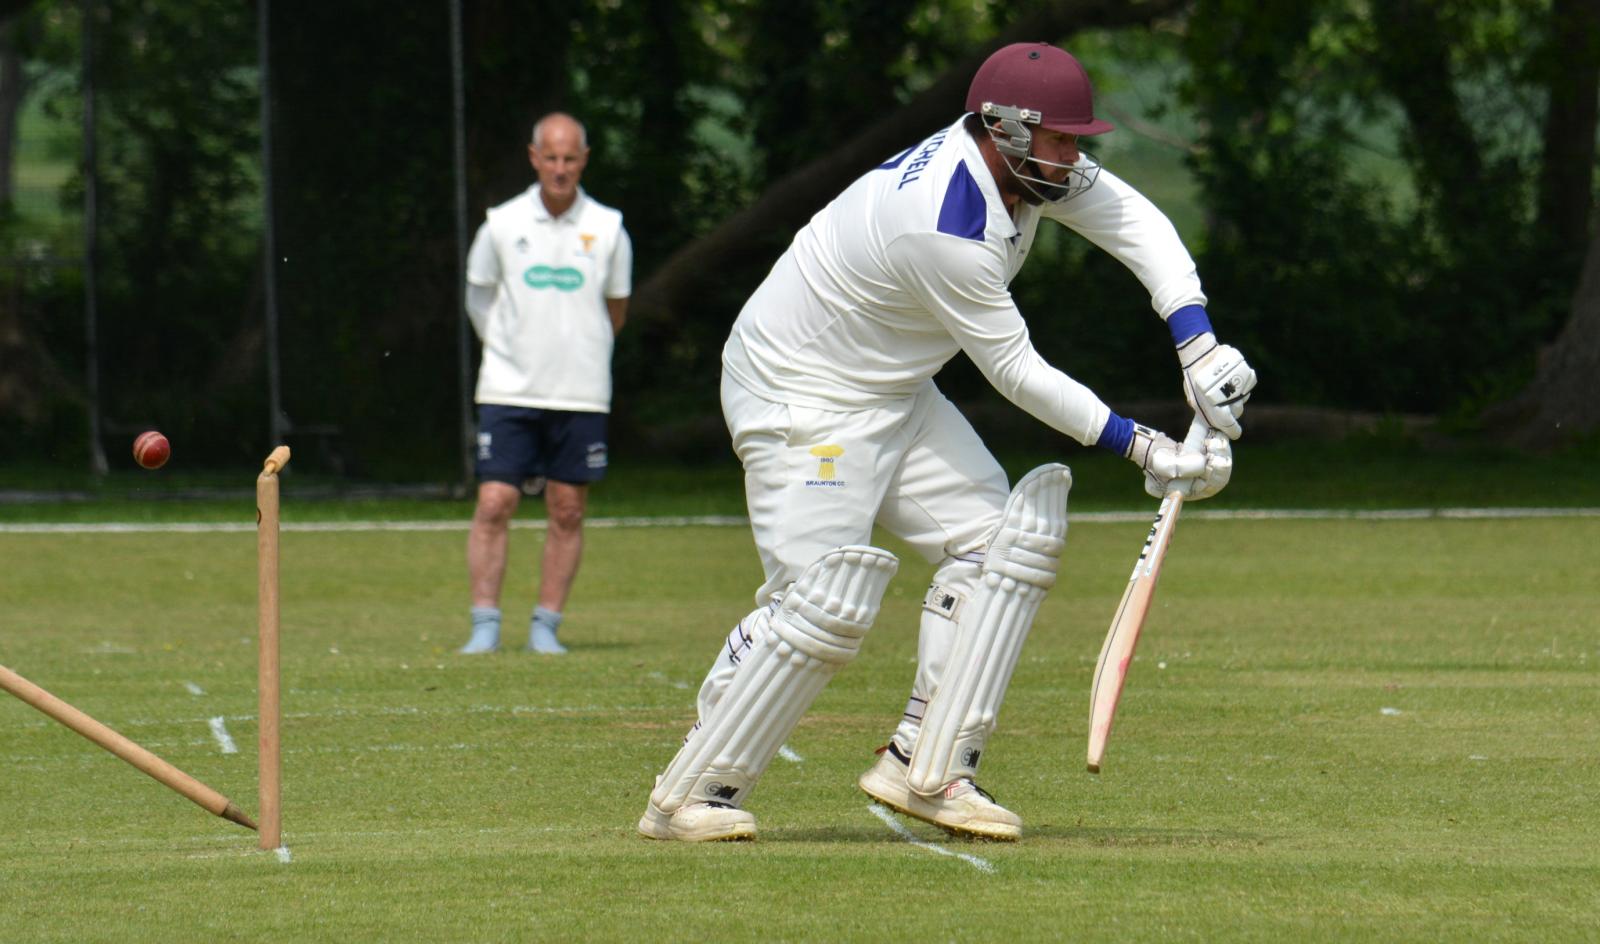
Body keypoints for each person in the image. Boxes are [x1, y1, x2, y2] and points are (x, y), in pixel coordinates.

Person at [637, 43, 1256, 843]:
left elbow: (1137, 224)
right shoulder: (944, 221)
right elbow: (1014, 370)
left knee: (1001, 547)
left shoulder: (1031, 167)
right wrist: (1141, 445)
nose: (1076, 158)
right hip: (803, 395)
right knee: (819, 604)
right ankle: (687, 793)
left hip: (892, 385)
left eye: (1078, 140)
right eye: (1063, 140)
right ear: (1004, 129)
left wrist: (1197, 344)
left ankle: (928, 767)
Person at [458, 112, 632, 655]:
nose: (560, 168)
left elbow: (616, 310)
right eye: (550, 157)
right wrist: (510, 349)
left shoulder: (607, 227)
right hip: (508, 389)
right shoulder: (502, 223)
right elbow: (479, 297)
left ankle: (545, 627)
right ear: (534, 157)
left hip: (579, 392)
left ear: (584, 160)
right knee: (494, 502)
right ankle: (485, 625)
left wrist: (578, 351)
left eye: (570, 158)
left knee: (568, 509)